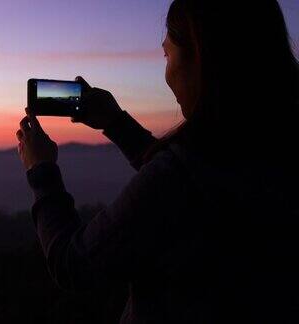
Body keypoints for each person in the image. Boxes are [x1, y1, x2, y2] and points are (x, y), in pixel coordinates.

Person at [16, 0, 299, 323]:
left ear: (201, 57)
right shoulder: (273, 150)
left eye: (167, 54)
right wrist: (117, 122)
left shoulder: (182, 175)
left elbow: (74, 264)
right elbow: (191, 186)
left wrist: (41, 171)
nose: (166, 72)